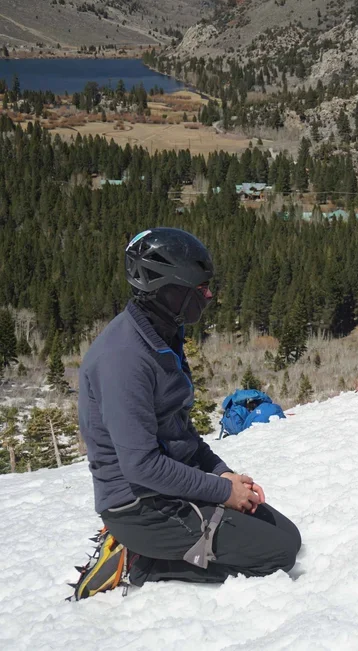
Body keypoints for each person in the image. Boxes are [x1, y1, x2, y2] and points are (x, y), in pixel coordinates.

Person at [72, 228, 301, 600]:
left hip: (169, 487)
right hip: (138, 506)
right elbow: (141, 466)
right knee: (277, 555)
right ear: (167, 290)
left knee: (288, 536)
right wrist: (222, 492)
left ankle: (161, 547)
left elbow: (180, 432)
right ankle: (142, 560)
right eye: (199, 288)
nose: (208, 295)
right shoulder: (124, 360)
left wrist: (221, 472)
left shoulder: (161, 334)